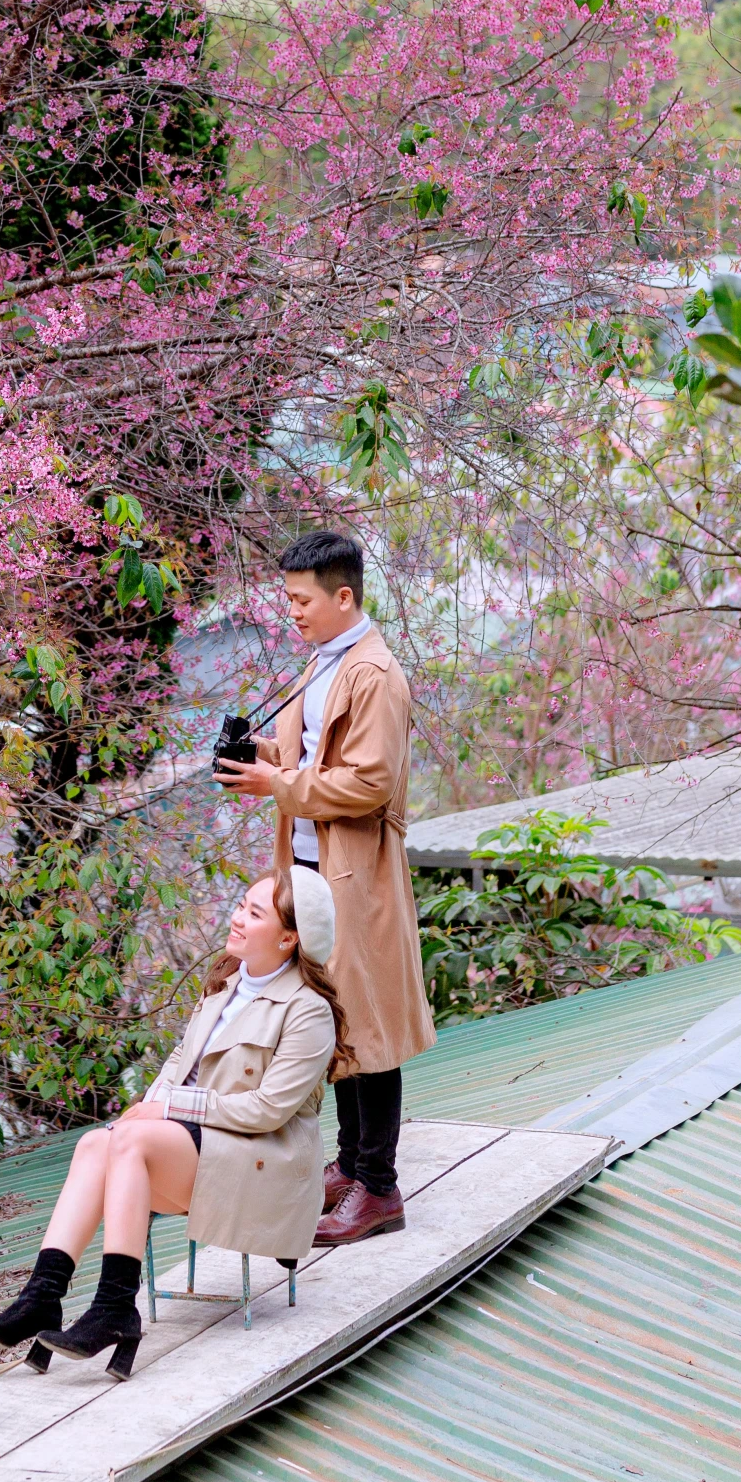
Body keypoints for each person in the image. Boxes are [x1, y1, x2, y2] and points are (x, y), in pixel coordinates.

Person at [0, 868, 343, 1380]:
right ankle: (42, 1298)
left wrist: (168, 1108)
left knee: (131, 1142)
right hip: (204, 1148)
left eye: (255, 914)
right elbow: (175, 1067)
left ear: (289, 937)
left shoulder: (308, 1010)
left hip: (263, 1165)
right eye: (241, 905)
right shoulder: (222, 989)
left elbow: (268, 1111)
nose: (237, 918)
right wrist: (144, 1108)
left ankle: (115, 1305)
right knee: (97, 1144)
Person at [217, 528, 435, 1245]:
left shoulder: (371, 674)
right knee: (336, 1019)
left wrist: (276, 782)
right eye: (286, 599)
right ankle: (349, 1162)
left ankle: (378, 1185)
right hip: (310, 869)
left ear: (344, 597)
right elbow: (315, 758)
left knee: (368, 1027)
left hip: (356, 876)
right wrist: (263, 758)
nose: (291, 612)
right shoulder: (326, 661)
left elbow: (370, 782)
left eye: (300, 599)